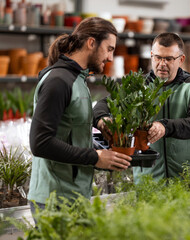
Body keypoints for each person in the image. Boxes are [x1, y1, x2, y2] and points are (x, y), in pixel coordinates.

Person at [27, 17, 132, 214]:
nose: (111, 58)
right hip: (54, 200)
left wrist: (99, 124)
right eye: (109, 49)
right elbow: (40, 143)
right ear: (91, 43)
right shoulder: (58, 81)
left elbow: (69, 130)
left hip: (72, 196)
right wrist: (94, 157)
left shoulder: (78, 79)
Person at [93, 32, 190, 184]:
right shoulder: (137, 86)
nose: (162, 64)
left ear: (181, 60)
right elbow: (102, 105)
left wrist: (165, 126)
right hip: (147, 181)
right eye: (158, 57)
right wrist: (102, 120)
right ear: (151, 56)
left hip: (187, 179)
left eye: (168, 59)